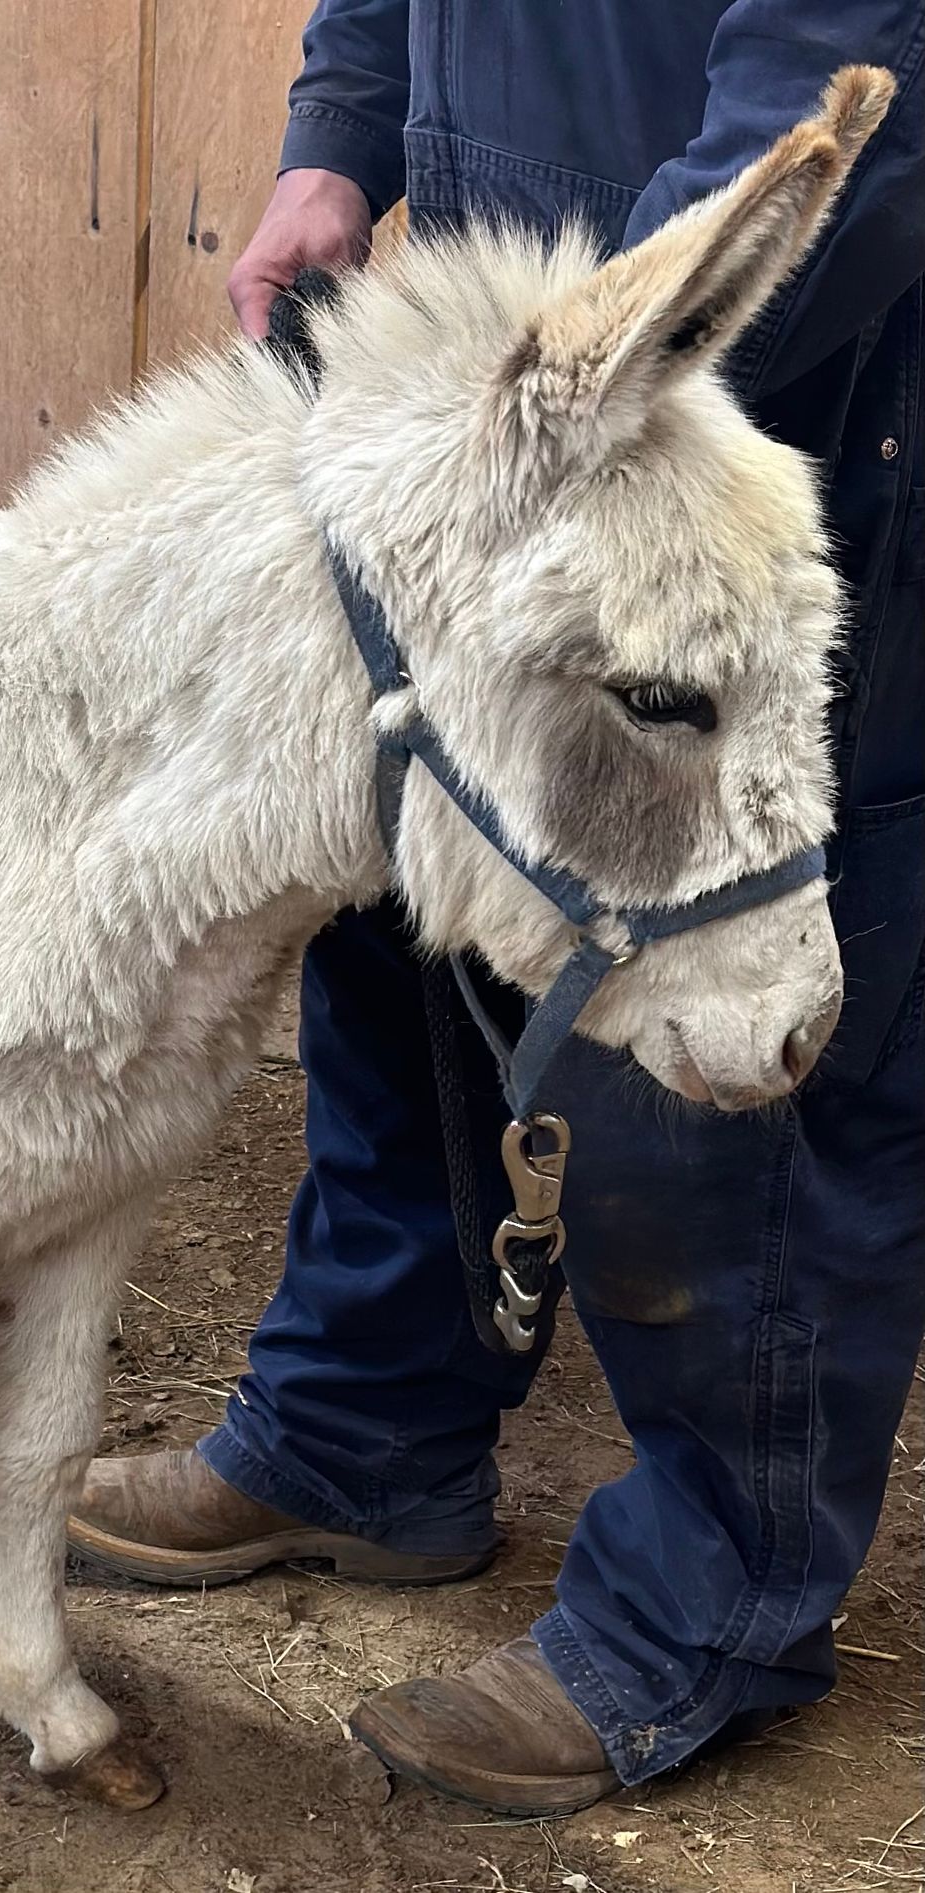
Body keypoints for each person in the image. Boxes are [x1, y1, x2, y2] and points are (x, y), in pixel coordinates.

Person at [69, 0, 925, 1815]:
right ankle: (368, 1425)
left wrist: (597, 366)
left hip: (742, 366)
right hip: (514, 346)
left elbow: (849, 82)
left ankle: (705, 1601)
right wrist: (343, 134)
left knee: (693, 981)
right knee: (413, 911)